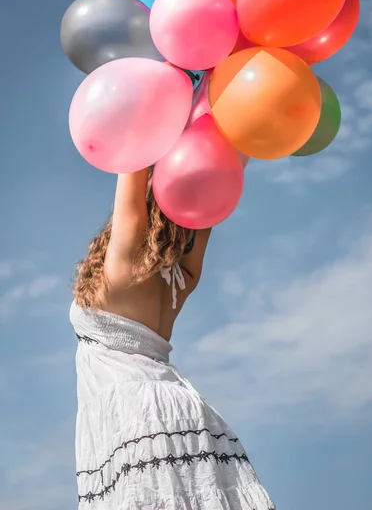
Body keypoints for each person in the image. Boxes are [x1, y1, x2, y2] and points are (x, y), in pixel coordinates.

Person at [70, 167, 275, 509]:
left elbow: (132, 161)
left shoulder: (122, 267)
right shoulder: (182, 279)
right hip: (184, 413)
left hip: (137, 419)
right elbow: (215, 181)